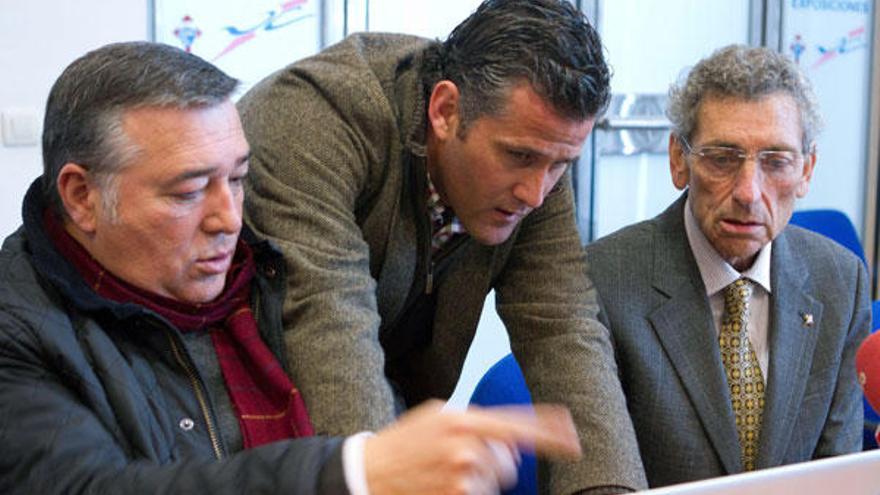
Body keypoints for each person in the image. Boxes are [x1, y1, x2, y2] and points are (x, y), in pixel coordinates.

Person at [0, 41, 585, 495]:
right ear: (80, 196)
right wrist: (354, 470)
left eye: (236, 178)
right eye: (187, 192)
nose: (229, 219)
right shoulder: (16, 327)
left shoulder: (266, 273)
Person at [237, 0, 646, 492]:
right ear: (445, 110)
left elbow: (563, 331)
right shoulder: (315, 118)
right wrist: (390, 476)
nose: (537, 193)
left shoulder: (536, 161)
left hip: (373, 429)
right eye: (519, 156)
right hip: (249, 439)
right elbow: (328, 322)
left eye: (561, 165)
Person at [583, 44, 870, 488]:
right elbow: (598, 480)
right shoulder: (604, 281)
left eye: (776, 162)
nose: (749, 192)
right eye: (722, 158)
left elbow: (836, 475)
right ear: (679, 160)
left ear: (807, 170)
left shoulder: (840, 281)